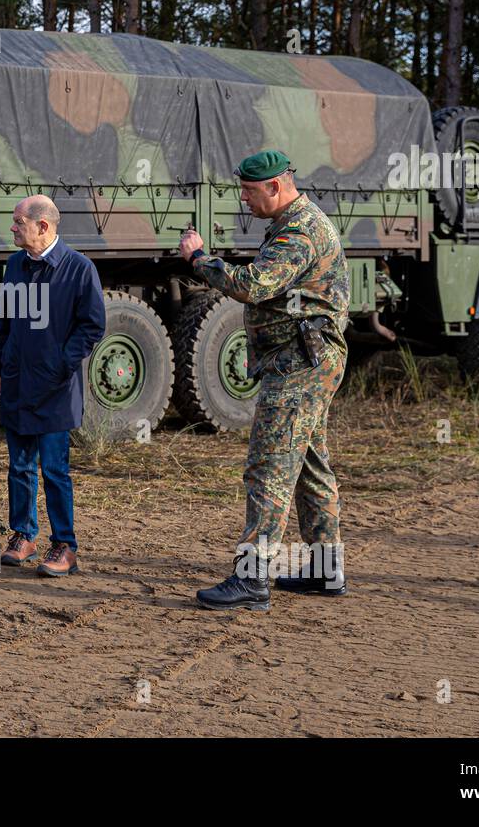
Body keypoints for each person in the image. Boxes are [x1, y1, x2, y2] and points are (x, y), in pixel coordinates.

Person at [179, 149, 350, 612]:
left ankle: (252, 578)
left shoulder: (299, 231)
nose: (243, 200)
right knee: (311, 463)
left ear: (275, 186)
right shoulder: (296, 222)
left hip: (299, 366)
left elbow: (254, 284)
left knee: (269, 469)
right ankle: (323, 568)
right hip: (307, 361)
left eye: (249, 192)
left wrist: (200, 260)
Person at [0, 194, 105, 577]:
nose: (12, 228)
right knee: (19, 466)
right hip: (17, 384)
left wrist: (59, 365)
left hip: (55, 389)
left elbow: (92, 326)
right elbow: (3, 323)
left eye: (18, 222)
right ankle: (23, 536)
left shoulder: (79, 269)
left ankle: (64, 546)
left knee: (54, 469)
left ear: (43, 226)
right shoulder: (15, 266)